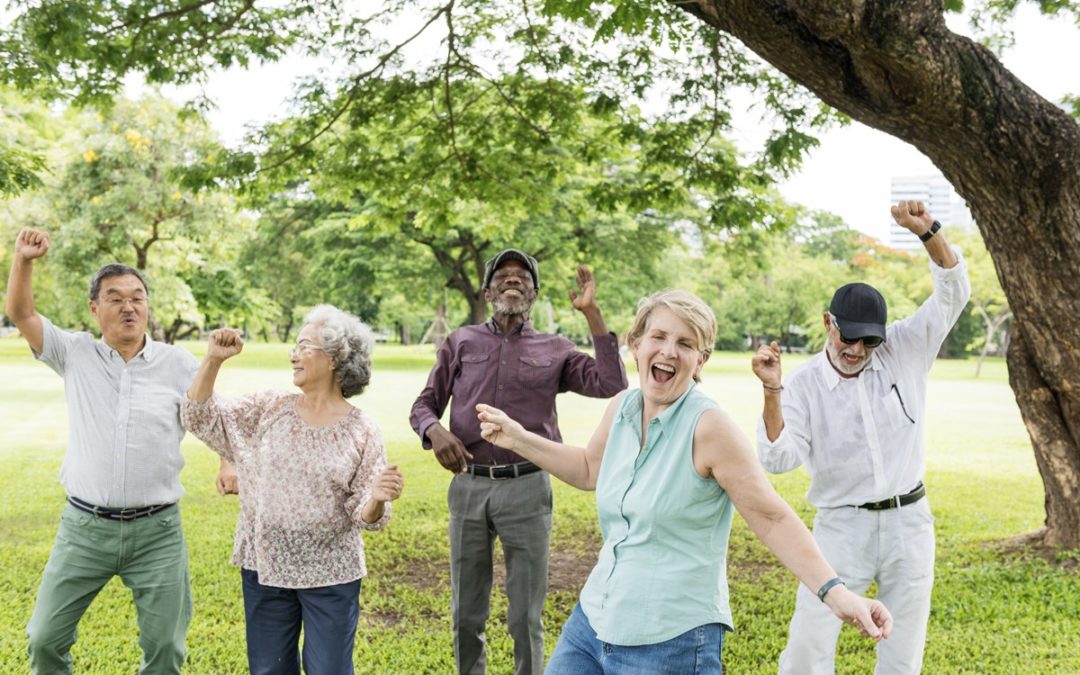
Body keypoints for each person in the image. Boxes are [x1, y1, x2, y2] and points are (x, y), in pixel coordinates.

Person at [476, 289, 893, 674]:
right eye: (658, 336)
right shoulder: (623, 407)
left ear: (701, 360)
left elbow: (772, 517)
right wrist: (518, 437)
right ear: (636, 344)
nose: (669, 351)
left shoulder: (709, 426)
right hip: (593, 622)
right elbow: (589, 468)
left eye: (686, 344)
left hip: (669, 639)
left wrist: (837, 594)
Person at [752, 200, 971, 674]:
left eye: (868, 341)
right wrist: (773, 389)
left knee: (903, 644)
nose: (856, 350)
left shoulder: (903, 349)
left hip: (909, 521)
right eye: (848, 337)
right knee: (810, 638)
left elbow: (954, 292)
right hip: (840, 527)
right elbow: (777, 457)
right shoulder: (805, 384)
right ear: (828, 323)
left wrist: (928, 231)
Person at [410, 249, 628, 675]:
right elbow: (424, 405)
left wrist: (593, 315)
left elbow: (611, 384)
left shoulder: (556, 349)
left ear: (534, 292)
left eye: (523, 276)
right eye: (504, 276)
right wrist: (434, 432)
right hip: (469, 486)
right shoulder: (460, 341)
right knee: (465, 611)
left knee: (525, 615)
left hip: (527, 490)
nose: (513, 280)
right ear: (489, 290)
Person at [6, 227, 198, 674]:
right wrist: (24, 259)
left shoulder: (180, 364)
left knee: (166, 649)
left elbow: (211, 417)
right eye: (115, 298)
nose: (129, 306)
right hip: (85, 529)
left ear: (147, 306)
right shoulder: (74, 353)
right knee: (43, 638)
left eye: (137, 297)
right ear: (95, 309)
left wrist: (228, 462)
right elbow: (20, 312)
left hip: (158, 533)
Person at [181, 305, 404, 675]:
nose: (293, 354)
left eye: (304, 346)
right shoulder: (269, 407)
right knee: (270, 670)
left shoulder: (361, 430)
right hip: (264, 568)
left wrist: (378, 498)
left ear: (335, 358)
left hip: (332, 575)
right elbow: (199, 416)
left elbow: (366, 515)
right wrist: (213, 360)